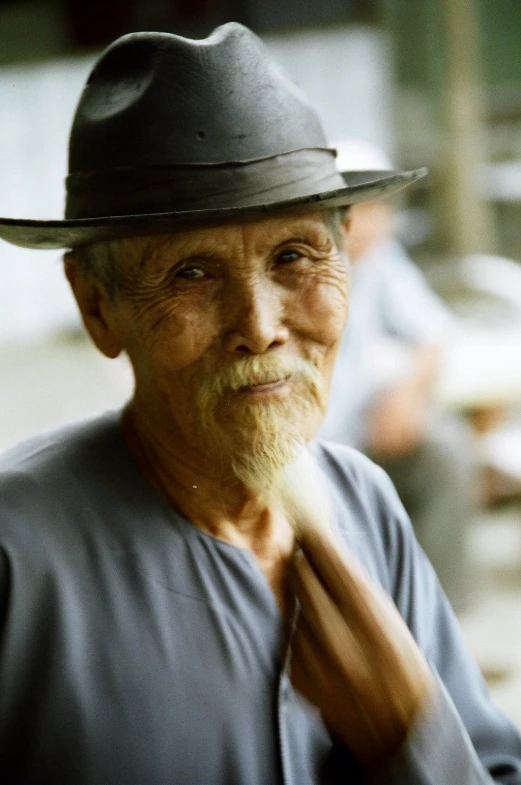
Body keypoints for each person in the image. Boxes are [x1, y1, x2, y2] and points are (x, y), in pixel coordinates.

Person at [0, 24, 519, 785]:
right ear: (97, 306)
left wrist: (414, 736)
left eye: (293, 257)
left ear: (348, 257)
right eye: (192, 274)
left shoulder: (364, 503)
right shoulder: (19, 555)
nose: (261, 326)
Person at [319, 138, 477, 610]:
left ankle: (441, 622)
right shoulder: (302, 262)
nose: (371, 222)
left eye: (378, 207)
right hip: (308, 446)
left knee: (447, 449)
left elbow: (433, 335)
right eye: (357, 208)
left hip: (362, 433)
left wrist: (404, 395)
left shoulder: (381, 264)